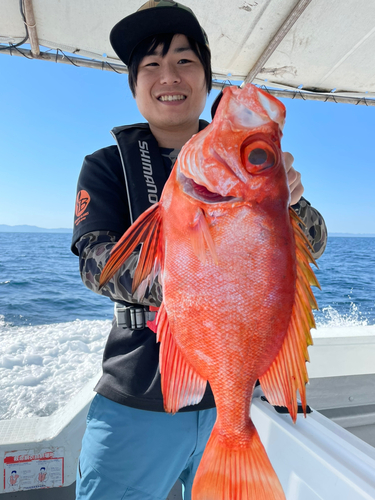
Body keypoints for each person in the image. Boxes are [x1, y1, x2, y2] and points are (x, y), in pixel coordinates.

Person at [71, 1, 328, 499]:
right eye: (151, 65)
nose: (169, 75)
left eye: (185, 61)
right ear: (134, 84)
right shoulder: (105, 166)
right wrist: (194, 283)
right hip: (138, 399)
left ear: (206, 79)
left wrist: (288, 202)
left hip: (233, 404)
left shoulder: (250, 165)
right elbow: (94, 265)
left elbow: (313, 245)